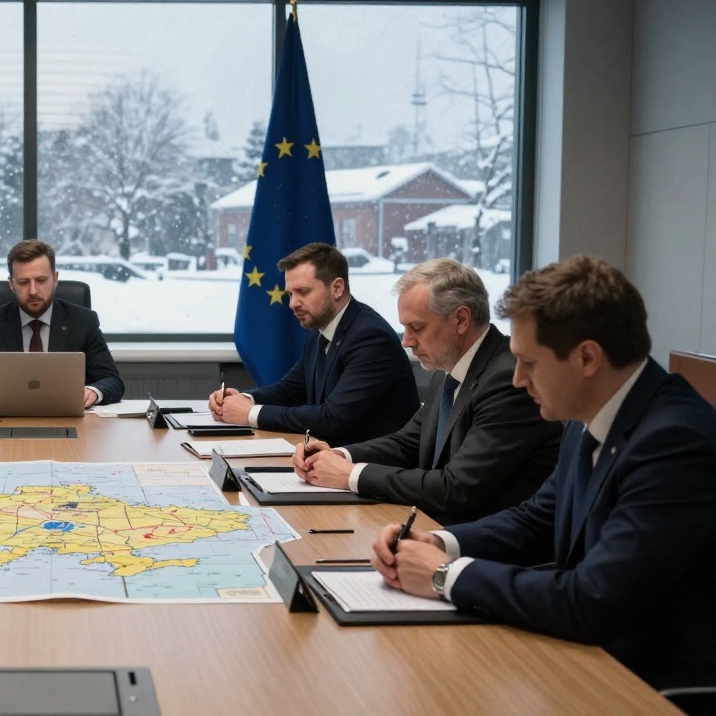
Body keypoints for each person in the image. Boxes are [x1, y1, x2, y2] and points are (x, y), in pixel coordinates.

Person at [371, 255, 716, 689]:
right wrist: (438, 542)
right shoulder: (586, 414)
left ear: (587, 358)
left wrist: (444, 575)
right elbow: (537, 518)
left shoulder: (674, 443)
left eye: (529, 363)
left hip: (650, 683)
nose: (517, 379)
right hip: (586, 653)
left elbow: (593, 600)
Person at [294, 259, 561, 524]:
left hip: (485, 545)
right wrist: (337, 455)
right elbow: (407, 443)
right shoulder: (448, 371)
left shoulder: (507, 381)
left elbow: (456, 488)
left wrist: (351, 475)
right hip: (437, 526)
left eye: (417, 327)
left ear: (461, 319)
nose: (406, 341)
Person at [209, 242, 417, 446]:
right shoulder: (319, 332)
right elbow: (289, 390)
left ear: (337, 288)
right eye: (290, 294)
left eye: (303, 292)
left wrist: (250, 414)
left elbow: (332, 418)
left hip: (373, 468)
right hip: (332, 460)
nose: (292, 304)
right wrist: (242, 399)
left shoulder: (370, 337)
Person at [0, 239, 123, 409]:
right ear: (11, 284)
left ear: (55, 279)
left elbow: (112, 381)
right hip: (4, 422)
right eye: (23, 282)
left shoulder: (83, 321)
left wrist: (93, 392)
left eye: (41, 280)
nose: (33, 291)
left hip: (69, 422)